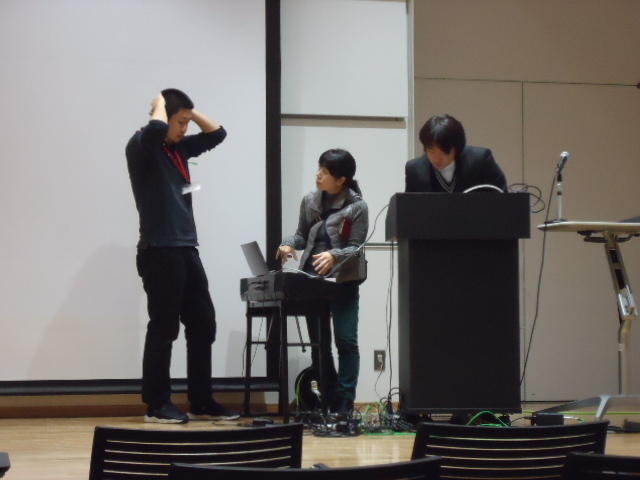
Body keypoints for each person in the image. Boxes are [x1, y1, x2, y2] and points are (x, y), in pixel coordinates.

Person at [126, 89, 238, 423]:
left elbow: (217, 133)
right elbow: (155, 130)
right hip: (159, 250)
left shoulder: (180, 150)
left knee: (203, 323)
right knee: (164, 327)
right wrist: (161, 103)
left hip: (187, 248)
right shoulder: (142, 146)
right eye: (180, 122)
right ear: (164, 116)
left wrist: (189, 111)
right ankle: (157, 404)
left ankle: (201, 401)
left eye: (188, 123)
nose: (185, 129)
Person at [277, 149, 368, 417]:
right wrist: (286, 244)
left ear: (341, 179)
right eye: (319, 168)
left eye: (325, 172)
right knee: (319, 344)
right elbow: (301, 236)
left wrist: (333, 255)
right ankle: (327, 399)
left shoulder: (357, 207)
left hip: (344, 282)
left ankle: (345, 402)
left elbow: (356, 247)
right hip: (313, 282)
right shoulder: (310, 201)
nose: (318, 175)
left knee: (346, 341)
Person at [405, 114, 507, 193]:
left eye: (444, 152)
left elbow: (502, 198)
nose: (437, 158)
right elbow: (409, 208)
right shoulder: (414, 170)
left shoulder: (480, 161)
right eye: (431, 150)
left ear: (457, 148)